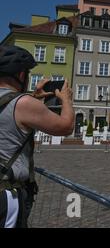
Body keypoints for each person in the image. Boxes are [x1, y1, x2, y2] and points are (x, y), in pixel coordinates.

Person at [0, 45, 74, 228]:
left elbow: (10, 114)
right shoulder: (24, 104)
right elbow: (66, 126)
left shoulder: (21, 102)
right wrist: (66, 99)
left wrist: (34, 96)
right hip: (6, 193)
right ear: (22, 75)